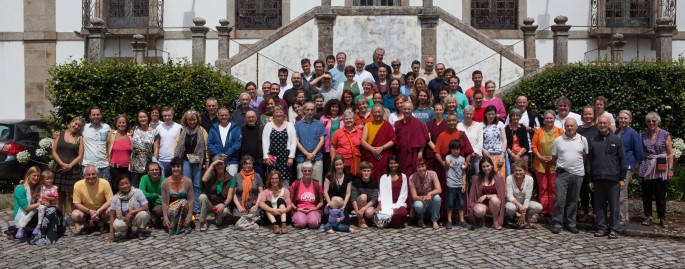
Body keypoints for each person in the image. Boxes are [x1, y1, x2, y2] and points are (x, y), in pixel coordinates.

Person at [588, 115, 627, 239]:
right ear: (597, 124)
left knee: (614, 205)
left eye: (605, 123)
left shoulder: (616, 140)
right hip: (598, 178)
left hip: (613, 178)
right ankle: (602, 227)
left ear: (609, 124)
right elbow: (589, 161)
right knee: (599, 205)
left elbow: (622, 160)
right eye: (600, 123)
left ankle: (614, 229)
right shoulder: (593, 140)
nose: (603, 125)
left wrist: (622, 178)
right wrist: (590, 179)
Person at [550, 118, 588, 234]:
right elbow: (554, 158)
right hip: (562, 173)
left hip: (577, 173)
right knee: (560, 199)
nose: (570, 128)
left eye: (572, 126)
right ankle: (557, 223)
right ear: (564, 127)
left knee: (573, 200)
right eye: (567, 126)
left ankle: (571, 223)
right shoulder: (558, 140)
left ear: (576, 126)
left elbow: (585, 156)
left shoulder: (583, 139)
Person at [638, 112, 673, 227]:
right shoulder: (642, 135)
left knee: (660, 193)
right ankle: (648, 216)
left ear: (658, 121)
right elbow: (640, 151)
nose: (651, 123)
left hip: (661, 165)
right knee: (646, 193)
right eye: (649, 121)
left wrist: (670, 169)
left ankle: (662, 217)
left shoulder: (665, 134)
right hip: (647, 165)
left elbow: (670, 153)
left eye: (654, 121)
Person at [174, 109, 209, 214]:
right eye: (190, 120)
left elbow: (206, 147)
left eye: (194, 120)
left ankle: (197, 209)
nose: (192, 122)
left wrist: (207, 160)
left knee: (197, 185)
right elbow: (177, 146)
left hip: (198, 161)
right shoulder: (182, 130)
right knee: (187, 184)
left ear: (197, 119)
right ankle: (188, 208)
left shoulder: (202, 131)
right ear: (186, 120)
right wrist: (176, 160)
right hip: (185, 161)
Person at [531, 110, 565, 216]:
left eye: (551, 118)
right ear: (544, 120)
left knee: (553, 188)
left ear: (554, 119)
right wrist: (540, 157)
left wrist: (553, 158)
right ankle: (544, 209)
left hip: (555, 164)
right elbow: (533, 146)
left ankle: (552, 210)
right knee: (543, 187)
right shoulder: (538, 131)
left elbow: (564, 147)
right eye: (547, 118)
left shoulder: (560, 132)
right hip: (540, 164)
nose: (549, 120)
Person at [614, 110, 643, 226]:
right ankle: (620, 216)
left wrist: (637, 164)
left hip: (627, 166)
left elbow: (638, 151)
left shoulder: (633, 133)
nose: (623, 120)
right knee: (616, 193)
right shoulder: (616, 131)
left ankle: (623, 219)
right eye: (621, 118)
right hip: (615, 166)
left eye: (625, 118)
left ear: (630, 120)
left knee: (622, 194)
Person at [51, 117, 84, 211]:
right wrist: (62, 163)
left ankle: (75, 218)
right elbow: (54, 151)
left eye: (79, 126)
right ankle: (62, 219)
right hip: (58, 167)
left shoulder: (79, 138)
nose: (76, 126)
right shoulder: (59, 134)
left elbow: (80, 155)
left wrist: (70, 165)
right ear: (71, 122)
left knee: (73, 196)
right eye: (75, 123)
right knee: (60, 194)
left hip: (72, 169)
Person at [71, 165, 114, 235]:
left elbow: (110, 200)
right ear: (84, 175)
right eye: (88, 174)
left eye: (93, 174)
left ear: (97, 174)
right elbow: (76, 203)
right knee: (74, 215)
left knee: (112, 209)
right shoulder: (78, 185)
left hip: (102, 211)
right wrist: (89, 211)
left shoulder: (105, 183)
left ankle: (102, 223)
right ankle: (87, 225)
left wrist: (98, 211)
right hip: (86, 211)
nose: (91, 176)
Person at [107, 176, 150, 242]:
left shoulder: (137, 192)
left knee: (144, 214)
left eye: (127, 183)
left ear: (130, 183)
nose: (125, 186)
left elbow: (146, 207)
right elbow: (112, 215)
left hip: (136, 216)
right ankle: (127, 231)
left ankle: (140, 230)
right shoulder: (115, 197)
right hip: (124, 218)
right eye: (122, 184)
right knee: (117, 225)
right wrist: (111, 233)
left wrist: (131, 212)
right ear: (118, 186)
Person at [262, 106, 297, 187]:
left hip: (285, 157)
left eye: (280, 112)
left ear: (284, 114)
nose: (278, 114)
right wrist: (266, 157)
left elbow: (293, 142)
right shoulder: (268, 125)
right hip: (272, 157)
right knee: (272, 178)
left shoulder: (290, 125)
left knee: (285, 180)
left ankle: (284, 198)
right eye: (276, 112)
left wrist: (291, 157)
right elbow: (265, 142)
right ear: (273, 114)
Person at [468, 157, 505, 230]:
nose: (486, 168)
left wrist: (486, 196)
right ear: (481, 168)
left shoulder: (498, 178)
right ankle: (482, 219)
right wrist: (472, 206)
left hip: (495, 205)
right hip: (481, 204)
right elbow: (472, 195)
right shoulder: (477, 179)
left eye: (488, 166)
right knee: (479, 211)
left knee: (495, 200)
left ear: (492, 166)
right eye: (483, 166)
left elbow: (502, 195)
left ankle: (495, 222)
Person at [361, 104, 396, 181]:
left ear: (383, 112)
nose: (377, 114)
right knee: (372, 177)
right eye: (375, 112)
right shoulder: (368, 125)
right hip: (371, 155)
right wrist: (373, 150)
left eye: (379, 112)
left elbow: (393, 140)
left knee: (384, 177)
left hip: (384, 155)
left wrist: (382, 148)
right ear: (372, 113)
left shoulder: (387, 124)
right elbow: (363, 141)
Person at [394, 101, 430, 176]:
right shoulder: (397, 124)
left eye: (409, 109)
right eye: (405, 109)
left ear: (412, 109)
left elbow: (423, 140)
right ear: (401, 109)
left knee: (412, 175)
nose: (407, 111)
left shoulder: (419, 123)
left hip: (414, 154)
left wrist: (420, 153)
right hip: (401, 154)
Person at [197, 157, 233, 231]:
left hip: (220, 206)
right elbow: (204, 179)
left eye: (221, 164)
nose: (219, 166)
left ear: (225, 165)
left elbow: (230, 196)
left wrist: (224, 204)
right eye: (217, 165)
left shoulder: (231, 178)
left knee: (220, 220)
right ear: (214, 166)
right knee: (202, 197)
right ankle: (203, 221)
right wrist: (212, 164)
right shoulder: (211, 175)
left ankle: (218, 218)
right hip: (210, 204)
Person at [161, 158, 194, 235]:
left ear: (181, 168)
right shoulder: (165, 183)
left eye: (178, 166)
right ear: (171, 168)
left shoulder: (188, 181)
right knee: (183, 201)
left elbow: (191, 200)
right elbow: (164, 203)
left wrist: (189, 215)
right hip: (171, 210)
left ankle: (185, 225)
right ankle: (177, 226)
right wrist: (165, 218)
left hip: (185, 209)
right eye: (174, 167)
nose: (176, 169)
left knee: (184, 202)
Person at [577, 106, 599, 218]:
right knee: (583, 190)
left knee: (595, 190)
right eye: (585, 114)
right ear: (582, 116)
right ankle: (585, 212)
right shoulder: (578, 130)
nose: (588, 116)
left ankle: (596, 213)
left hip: (596, 164)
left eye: (590, 114)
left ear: (594, 115)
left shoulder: (598, 129)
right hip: (582, 164)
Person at [295, 102, 326, 181]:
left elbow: (322, 140)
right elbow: (296, 141)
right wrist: (306, 154)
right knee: (302, 184)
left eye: (312, 109)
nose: (310, 112)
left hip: (317, 158)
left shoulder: (319, 124)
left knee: (317, 183)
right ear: (304, 110)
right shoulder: (297, 125)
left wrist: (313, 153)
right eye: (307, 109)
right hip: (302, 158)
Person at [444, 139, 470, 229]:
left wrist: (464, 184)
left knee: (461, 203)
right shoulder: (448, 157)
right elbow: (447, 164)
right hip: (450, 184)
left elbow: (464, 173)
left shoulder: (462, 159)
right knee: (450, 202)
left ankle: (461, 220)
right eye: (454, 149)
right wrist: (448, 164)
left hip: (459, 184)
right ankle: (449, 220)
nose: (456, 151)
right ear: (450, 149)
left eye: (457, 149)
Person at [207, 108, 242, 176]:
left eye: (226, 115)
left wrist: (227, 153)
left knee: (232, 181)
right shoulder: (213, 128)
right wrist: (218, 154)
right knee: (217, 181)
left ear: (229, 115)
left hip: (232, 159)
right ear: (218, 116)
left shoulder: (236, 128)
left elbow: (237, 143)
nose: (224, 117)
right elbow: (210, 143)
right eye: (222, 115)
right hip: (217, 159)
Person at [409, 158, 442, 229]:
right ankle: (421, 218)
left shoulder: (433, 174)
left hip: (430, 201)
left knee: (437, 198)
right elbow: (414, 196)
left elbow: (439, 189)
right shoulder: (412, 177)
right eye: (419, 167)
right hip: (420, 200)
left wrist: (429, 194)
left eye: (423, 166)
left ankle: (434, 220)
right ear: (416, 168)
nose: (421, 169)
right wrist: (422, 198)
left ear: (426, 166)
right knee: (418, 205)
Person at [376, 155, 408, 228]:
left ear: (398, 164)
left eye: (395, 163)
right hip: (386, 204)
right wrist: (379, 205)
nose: (393, 165)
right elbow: (380, 194)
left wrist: (396, 207)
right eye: (391, 163)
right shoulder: (383, 177)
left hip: (399, 204)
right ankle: (394, 222)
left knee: (402, 213)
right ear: (388, 164)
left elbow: (404, 194)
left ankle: (389, 222)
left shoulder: (403, 177)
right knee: (383, 213)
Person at [129, 110, 159, 187]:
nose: (142, 119)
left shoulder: (154, 132)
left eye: (144, 117)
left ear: (148, 118)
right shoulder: (135, 129)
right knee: (134, 185)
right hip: (134, 161)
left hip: (147, 162)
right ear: (138, 119)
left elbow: (156, 149)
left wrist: (154, 162)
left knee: (145, 185)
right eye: (140, 117)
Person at [290, 162, 324, 229]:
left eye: (309, 170)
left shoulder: (317, 184)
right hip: (299, 209)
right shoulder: (295, 184)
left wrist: (315, 208)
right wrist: (297, 209)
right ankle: (300, 218)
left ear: (312, 171)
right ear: (302, 171)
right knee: (301, 224)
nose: (307, 172)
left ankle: (312, 219)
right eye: (305, 170)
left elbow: (321, 201)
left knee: (313, 224)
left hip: (313, 209)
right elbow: (290, 201)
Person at [12, 166, 43, 238]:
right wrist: (40, 203)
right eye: (34, 175)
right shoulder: (21, 189)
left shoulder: (37, 188)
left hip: (33, 212)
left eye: (38, 176)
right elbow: (26, 207)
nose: (36, 178)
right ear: (28, 175)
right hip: (23, 215)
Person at [82, 106, 111, 179]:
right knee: (88, 189)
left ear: (101, 115)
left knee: (105, 188)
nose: (96, 116)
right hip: (88, 165)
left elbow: (114, 137)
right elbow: (72, 134)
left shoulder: (106, 127)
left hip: (104, 165)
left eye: (98, 114)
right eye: (93, 115)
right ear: (90, 116)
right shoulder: (83, 128)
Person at [331, 111, 363, 176]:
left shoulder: (360, 132)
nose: (348, 120)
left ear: (354, 120)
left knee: (354, 183)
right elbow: (332, 147)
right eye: (346, 119)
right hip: (341, 163)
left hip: (355, 162)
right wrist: (333, 161)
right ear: (343, 120)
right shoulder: (338, 132)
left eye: (350, 118)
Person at [108, 115, 132, 194]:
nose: (122, 124)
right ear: (116, 124)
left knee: (127, 189)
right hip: (115, 168)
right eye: (120, 123)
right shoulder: (111, 135)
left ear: (127, 124)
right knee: (116, 189)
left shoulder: (131, 135)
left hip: (128, 168)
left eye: (123, 122)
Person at [350, 162, 379, 228]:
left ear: (371, 172)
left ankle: (366, 219)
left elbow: (374, 199)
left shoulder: (374, 183)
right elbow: (353, 198)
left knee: (369, 213)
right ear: (361, 171)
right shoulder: (356, 182)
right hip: (358, 203)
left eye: (368, 171)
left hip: (367, 205)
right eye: (364, 171)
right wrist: (357, 211)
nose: (366, 173)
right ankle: (360, 220)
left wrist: (364, 208)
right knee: (363, 196)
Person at [458, 106, 484, 178]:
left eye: (470, 114)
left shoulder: (478, 126)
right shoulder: (459, 126)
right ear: (463, 114)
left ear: (473, 115)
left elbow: (480, 142)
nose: (468, 116)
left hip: (475, 157)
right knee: (463, 178)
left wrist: (472, 153)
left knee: (477, 178)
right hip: (462, 156)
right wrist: (466, 155)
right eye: (467, 114)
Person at [320, 99, 344, 178]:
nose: (334, 108)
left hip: (339, 148)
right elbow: (319, 132)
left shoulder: (343, 118)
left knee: (339, 168)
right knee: (328, 169)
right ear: (329, 108)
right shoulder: (323, 118)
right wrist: (323, 124)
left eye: (336, 107)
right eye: (332, 107)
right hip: (327, 148)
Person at [157, 106, 183, 176]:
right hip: (162, 160)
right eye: (165, 116)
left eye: (169, 115)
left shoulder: (179, 127)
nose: (167, 117)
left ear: (173, 115)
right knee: (163, 183)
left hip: (174, 159)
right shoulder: (158, 128)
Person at [139, 162, 164, 227]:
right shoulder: (144, 178)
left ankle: (157, 219)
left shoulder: (164, 180)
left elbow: (165, 198)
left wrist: (157, 200)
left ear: (159, 170)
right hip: (148, 202)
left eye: (156, 169)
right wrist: (155, 195)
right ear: (148, 171)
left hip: (158, 204)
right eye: (152, 170)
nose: (155, 171)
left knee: (157, 210)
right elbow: (141, 193)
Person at [505, 108, 530, 173]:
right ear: (510, 117)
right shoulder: (506, 128)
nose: (515, 117)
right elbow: (505, 144)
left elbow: (526, 144)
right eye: (513, 115)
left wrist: (518, 155)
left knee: (523, 173)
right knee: (512, 174)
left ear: (520, 117)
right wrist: (513, 155)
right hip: (510, 155)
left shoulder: (523, 128)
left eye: (517, 115)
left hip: (521, 154)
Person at [241, 110, 264, 179]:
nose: (251, 119)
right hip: (245, 163)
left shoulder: (261, 129)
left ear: (256, 118)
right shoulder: (241, 130)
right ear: (245, 118)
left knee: (259, 183)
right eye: (249, 117)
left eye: (253, 117)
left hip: (258, 162)